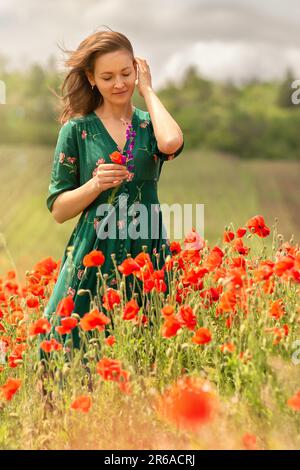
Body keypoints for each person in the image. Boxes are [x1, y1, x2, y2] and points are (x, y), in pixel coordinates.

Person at [40, 29, 184, 353]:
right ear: (91, 79)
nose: (119, 84)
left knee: (145, 350)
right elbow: (59, 210)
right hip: (93, 252)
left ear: (137, 70)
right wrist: (95, 185)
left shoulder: (150, 125)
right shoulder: (77, 130)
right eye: (107, 77)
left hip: (146, 247)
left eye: (126, 73)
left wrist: (147, 90)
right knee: (72, 348)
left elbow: (172, 143)